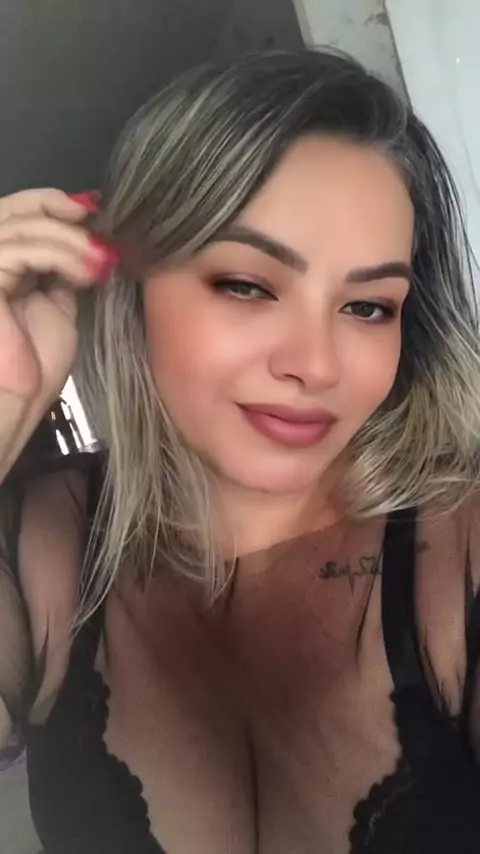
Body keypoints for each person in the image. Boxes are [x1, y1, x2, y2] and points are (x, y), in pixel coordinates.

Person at [1, 48, 480, 854]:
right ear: (132, 291)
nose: (316, 365)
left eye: (368, 307)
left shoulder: (458, 550)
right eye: (248, 286)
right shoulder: (47, 541)